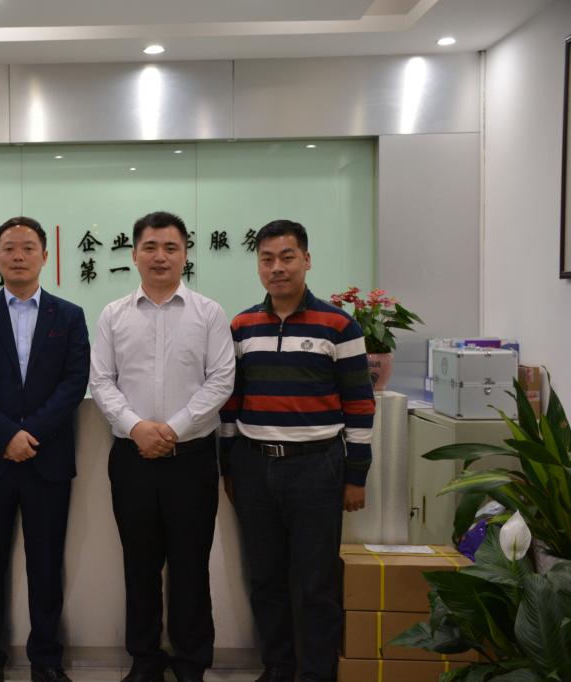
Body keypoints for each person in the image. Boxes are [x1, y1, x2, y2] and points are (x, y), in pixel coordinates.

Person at [218, 219, 374, 682]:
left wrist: (356, 476)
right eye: (267, 259)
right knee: (266, 579)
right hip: (254, 466)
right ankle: (278, 669)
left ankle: (316, 674)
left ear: (306, 260)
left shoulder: (339, 325)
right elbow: (231, 403)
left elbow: (360, 405)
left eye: (287, 257)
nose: (277, 268)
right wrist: (229, 467)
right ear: (258, 265)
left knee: (315, 583)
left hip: (316, 468)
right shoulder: (242, 326)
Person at [89, 211, 235, 682]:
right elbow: (101, 381)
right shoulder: (113, 315)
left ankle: (191, 663)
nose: (160, 256)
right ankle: (145, 660)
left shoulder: (209, 313)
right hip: (131, 460)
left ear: (185, 254)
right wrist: (136, 428)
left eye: (171, 248)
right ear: (134, 254)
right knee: (140, 565)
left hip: (191, 459)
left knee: (191, 565)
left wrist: (171, 429)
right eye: (150, 247)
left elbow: (221, 381)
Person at [0, 216, 90, 682]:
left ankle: (46, 660)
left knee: (46, 566)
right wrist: (5, 435)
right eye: (9, 248)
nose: (18, 256)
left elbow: (74, 382)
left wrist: (29, 433)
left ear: (44, 256)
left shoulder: (68, 316)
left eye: (28, 248)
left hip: (46, 460)